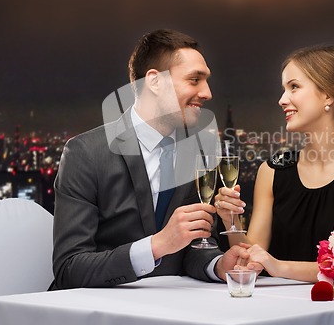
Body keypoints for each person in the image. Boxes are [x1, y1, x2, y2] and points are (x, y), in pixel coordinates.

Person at [52, 29, 246, 289]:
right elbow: (69, 268)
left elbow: (197, 245)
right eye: (194, 80)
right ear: (154, 82)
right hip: (99, 315)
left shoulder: (199, 151)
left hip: (174, 311)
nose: (208, 93)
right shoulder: (85, 153)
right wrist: (157, 245)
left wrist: (218, 266)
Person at [214, 45, 334, 282]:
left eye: (294, 87)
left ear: (329, 94)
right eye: (283, 89)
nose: (281, 100)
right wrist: (231, 220)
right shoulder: (272, 171)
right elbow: (250, 258)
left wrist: (278, 266)